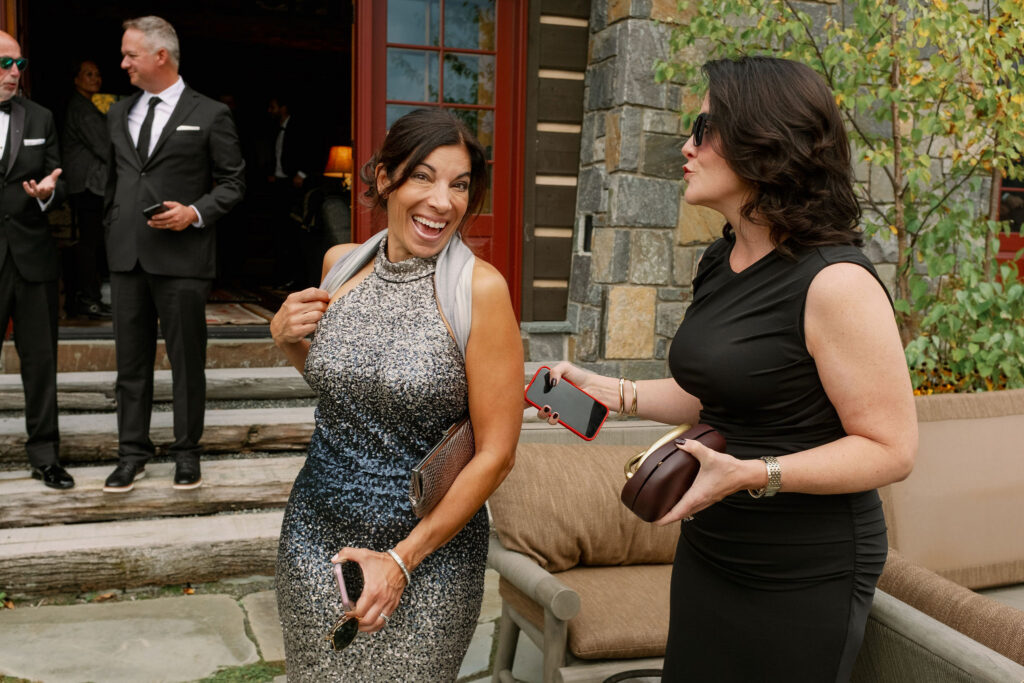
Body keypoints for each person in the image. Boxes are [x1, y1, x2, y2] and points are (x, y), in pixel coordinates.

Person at [540, 57, 917, 682]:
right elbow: (722, 393)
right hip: (713, 544)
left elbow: (891, 450)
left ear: (764, 141)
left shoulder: (836, 282)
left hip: (803, 569)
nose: (686, 147)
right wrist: (613, 392)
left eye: (704, 128)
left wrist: (753, 474)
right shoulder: (720, 259)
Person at [270, 108, 522, 680]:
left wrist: (402, 561)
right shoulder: (340, 265)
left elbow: (497, 454)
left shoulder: (480, 290)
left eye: (459, 185)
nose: (443, 202)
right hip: (314, 538)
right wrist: (287, 341)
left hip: (427, 558)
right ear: (385, 179)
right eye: (423, 177)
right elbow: (343, 389)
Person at [102, 16, 245, 493]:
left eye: (130, 55)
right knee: (130, 364)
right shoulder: (118, 113)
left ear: (160, 56)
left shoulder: (210, 113)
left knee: (186, 362)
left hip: (184, 259)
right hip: (127, 257)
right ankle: (131, 454)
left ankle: (187, 453)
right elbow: (115, 179)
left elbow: (233, 183)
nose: (123, 63)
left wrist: (194, 213)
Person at [0, 31, 74, 490]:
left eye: (19, 65)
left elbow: (58, 180)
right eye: (4, 64)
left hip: (32, 257)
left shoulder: (40, 116)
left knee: (41, 362)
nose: (14, 73)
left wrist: (48, 193)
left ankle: (45, 456)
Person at [62, 58, 112, 320]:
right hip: (88, 185)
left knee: (91, 241)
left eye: (97, 74)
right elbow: (104, 147)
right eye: (89, 74)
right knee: (91, 242)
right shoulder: (83, 110)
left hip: (88, 184)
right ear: (76, 80)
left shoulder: (87, 106)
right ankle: (88, 299)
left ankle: (88, 297)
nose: (95, 78)